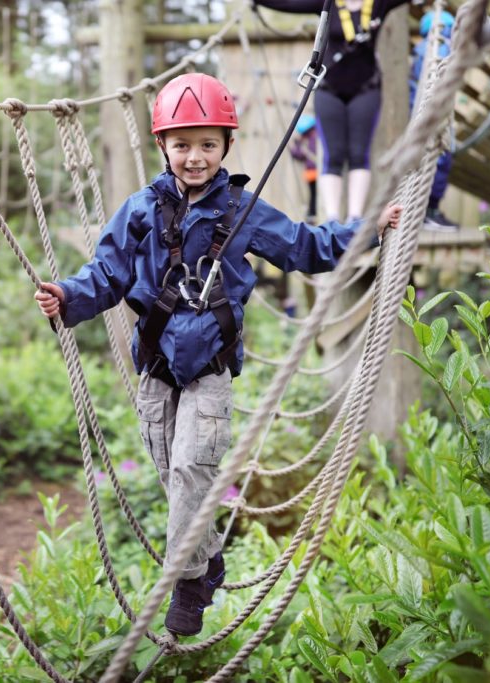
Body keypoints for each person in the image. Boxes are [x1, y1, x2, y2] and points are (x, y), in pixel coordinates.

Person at [34, 73, 401, 637]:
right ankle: (207, 564)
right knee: (174, 475)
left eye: (207, 144)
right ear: (163, 147)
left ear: (226, 145)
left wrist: (368, 230)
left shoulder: (241, 210)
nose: (195, 157)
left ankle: (186, 582)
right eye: (182, 145)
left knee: (190, 470)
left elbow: (305, 248)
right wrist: (66, 296)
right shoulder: (140, 211)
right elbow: (106, 274)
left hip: (208, 366)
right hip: (155, 364)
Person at [251, 0, 411, 222]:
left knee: (358, 154)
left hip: (366, 89)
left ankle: (355, 217)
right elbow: (288, 3)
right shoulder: (327, 2)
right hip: (328, 89)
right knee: (332, 155)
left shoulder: (378, 3)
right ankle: (333, 219)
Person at [410, 9, 459, 231]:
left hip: (426, 114)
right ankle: (430, 213)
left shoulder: (422, 50)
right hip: (432, 116)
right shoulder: (437, 50)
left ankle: (428, 212)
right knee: (440, 160)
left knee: (435, 159)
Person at [289, 113, 320, 221]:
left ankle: (312, 212)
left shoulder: (309, 139)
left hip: (313, 171)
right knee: (315, 193)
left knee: (314, 194)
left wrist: (296, 145)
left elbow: (298, 154)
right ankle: (312, 212)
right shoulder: (316, 136)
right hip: (315, 171)